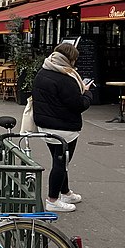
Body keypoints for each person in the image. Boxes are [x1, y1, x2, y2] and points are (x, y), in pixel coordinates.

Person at [31, 42, 93, 212]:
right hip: (64, 128)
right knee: (61, 162)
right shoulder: (65, 78)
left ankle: (65, 192)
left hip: (45, 125)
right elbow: (78, 104)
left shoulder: (44, 71)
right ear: (70, 59)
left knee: (60, 159)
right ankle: (52, 199)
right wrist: (87, 93)